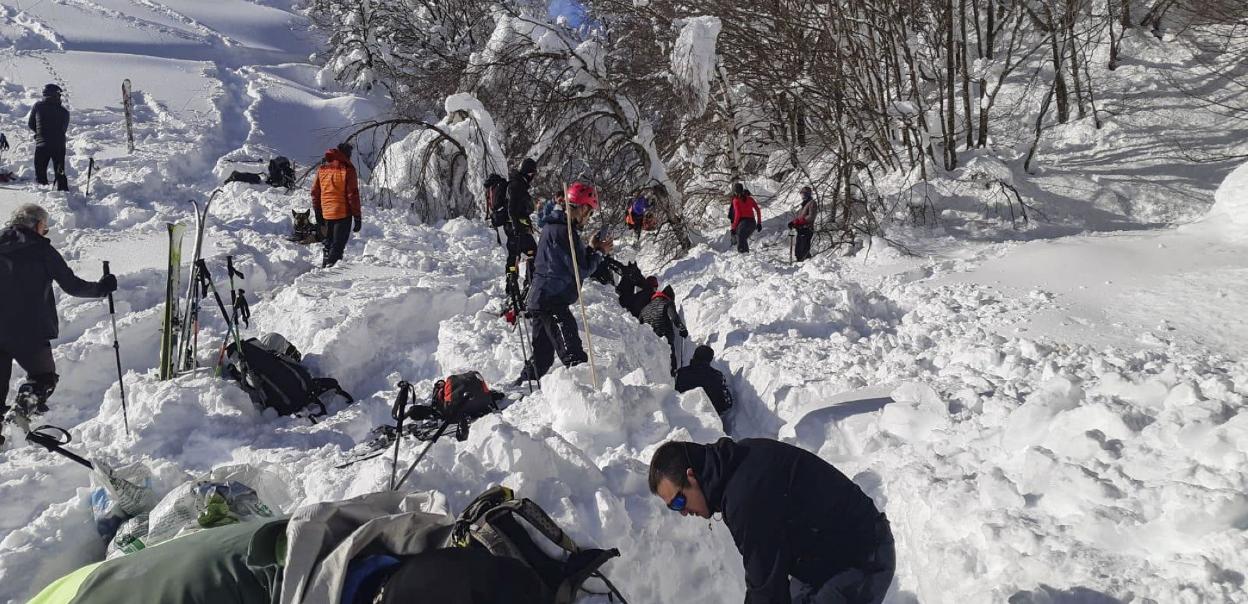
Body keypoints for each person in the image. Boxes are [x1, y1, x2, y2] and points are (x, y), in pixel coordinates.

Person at [649, 438, 894, 604]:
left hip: (862, 556)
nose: (682, 512)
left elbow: (765, 587)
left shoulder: (744, 496)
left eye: (679, 502)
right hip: (823, 558)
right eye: (673, 508)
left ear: (692, 476)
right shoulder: (733, 467)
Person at [0, 204, 116, 429]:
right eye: (45, 227)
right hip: (28, 331)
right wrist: (102, 288)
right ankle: (20, 413)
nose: (46, 232)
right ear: (37, 224)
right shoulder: (41, 249)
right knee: (44, 378)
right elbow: (72, 286)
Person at [515, 182, 612, 384]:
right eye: (589, 212)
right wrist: (600, 253)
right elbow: (580, 270)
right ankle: (588, 397)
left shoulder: (561, 228)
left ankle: (521, 389)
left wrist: (592, 249)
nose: (588, 217)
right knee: (573, 355)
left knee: (542, 358)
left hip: (544, 299)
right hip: (551, 300)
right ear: (582, 207)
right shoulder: (561, 231)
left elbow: (574, 261)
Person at [312, 142, 362, 268]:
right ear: (346, 154)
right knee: (338, 245)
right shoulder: (348, 169)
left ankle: (325, 265)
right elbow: (353, 195)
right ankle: (330, 270)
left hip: (326, 212)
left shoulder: (322, 169)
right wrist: (357, 216)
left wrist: (318, 212)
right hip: (342, 212)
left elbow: (315, 192)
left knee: (328, 243)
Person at [675, 345, 734, 429]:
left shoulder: (681, 373)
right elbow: (727, 403)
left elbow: (674, 396)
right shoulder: (717, 376)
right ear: (710, 359)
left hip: (684, 422)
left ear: (694, 356)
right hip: (710, 424)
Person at [28, 83, 70, 191]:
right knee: (60, 172)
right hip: (59, 146)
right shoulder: (64, 112)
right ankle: (63, 193)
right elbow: (63, 130)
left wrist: (40, 133)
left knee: (40, 173)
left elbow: (31, 124)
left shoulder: (38, 106)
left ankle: (43, 194)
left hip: (42, 144)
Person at [639, 284, 687, 376]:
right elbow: (674, 317)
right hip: (665, 336)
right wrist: (682, 328)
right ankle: (673, 379)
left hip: (649, 341)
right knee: (671, 364)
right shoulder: (667, 302)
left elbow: (638, 325)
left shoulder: (645, 308)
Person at [505, 158, 539, 285]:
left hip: (516, 226)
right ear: (528, 173)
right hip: (515, 228)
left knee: (516, 255)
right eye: (532, 174)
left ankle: (516, 285)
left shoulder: (519, 184)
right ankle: (524, 284)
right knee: (529, 253)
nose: (533, 177)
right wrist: (516, 226)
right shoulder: (516, 185)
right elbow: (512, 208)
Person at [789, 186, 818, 262]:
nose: (802, 196)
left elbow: (811, 216)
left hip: (807, 228)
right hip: (801, 229)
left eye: (803, 194)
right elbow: (799, 217)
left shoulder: (812, 203)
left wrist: (801, 221)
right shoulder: (804, 204)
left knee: (803, 248)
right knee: (799, 248)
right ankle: (800, 261)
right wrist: (793, 222)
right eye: (801, 194)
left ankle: (806, 262)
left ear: (807, 194)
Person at [731, 185, 762, 253]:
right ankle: (746, 256)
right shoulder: (750, 199)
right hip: (752, 223)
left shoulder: (736, 200)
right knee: (742, 238)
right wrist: (759, 223)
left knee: (740, 235)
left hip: (744, 222)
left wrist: (733, 227)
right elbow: (758, 210)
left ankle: (743, 254)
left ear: (735, 192)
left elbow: (738, 214)